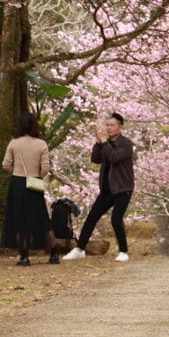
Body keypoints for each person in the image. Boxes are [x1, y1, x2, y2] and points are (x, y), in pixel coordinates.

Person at [63, 112, 135, 262]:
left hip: (122, 188)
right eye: (107, 125)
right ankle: (80, 248)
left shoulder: (126, 144)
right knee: (91, 217)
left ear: (120, 127)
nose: (109, 128)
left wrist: (104, 142)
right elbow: (95, 159)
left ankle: (123, 251)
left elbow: (115, 157)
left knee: (116, 219)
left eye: (112, 125)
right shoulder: (105, 143)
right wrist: (98, 142)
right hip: (107, 189)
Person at [2, 112, 60, 266]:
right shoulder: (41, 144)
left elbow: (5, 164)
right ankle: (54, 252)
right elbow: (46, 167)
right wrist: (36, 177)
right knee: (41, 217)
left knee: (19, 218)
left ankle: (24, 255)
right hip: (34, 182)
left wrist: (17, 172)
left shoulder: (14, 143)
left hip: (17, 184)